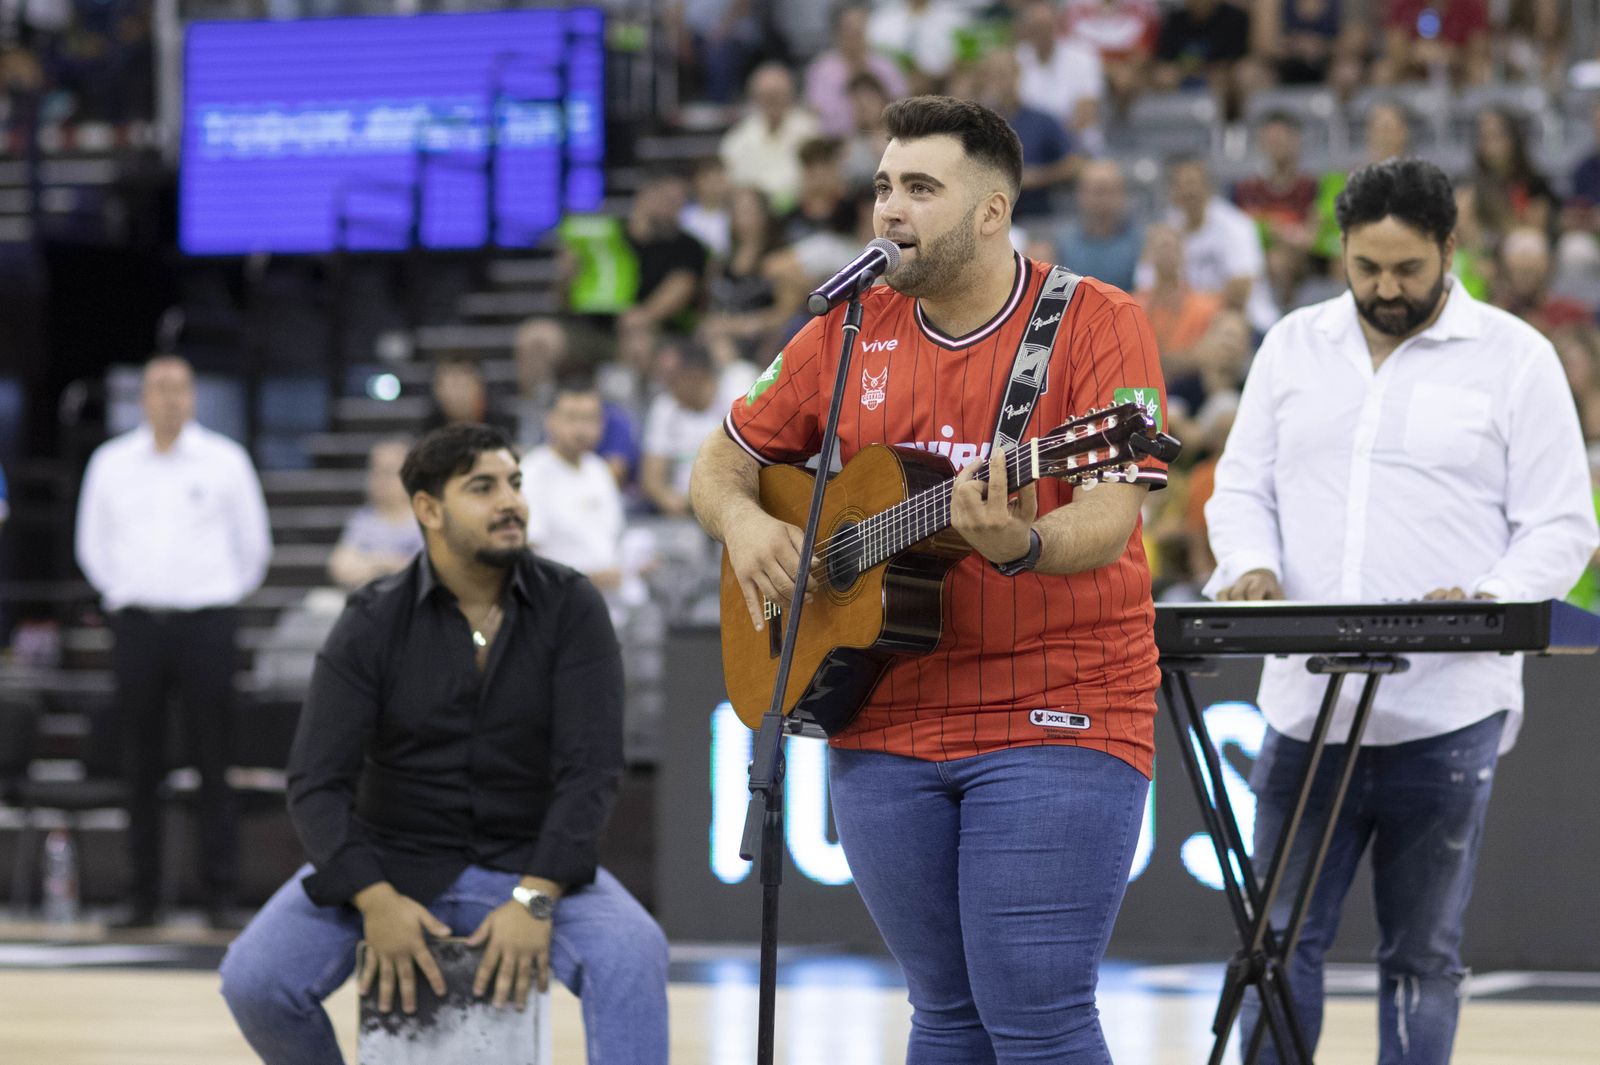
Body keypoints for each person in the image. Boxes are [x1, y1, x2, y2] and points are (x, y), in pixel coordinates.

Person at [689, 95, 1170, 1062]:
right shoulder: (845, 326)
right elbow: (721, 462)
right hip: (883, 708)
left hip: (1056, 700)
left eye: (919, 188)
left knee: (1036, 1011)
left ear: (992, 212)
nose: (889, 209)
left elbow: (1112, 513)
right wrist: (744, 524)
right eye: (882, 186)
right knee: (943, 1011)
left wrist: (1020, 543)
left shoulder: (1098, 320)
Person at [1204, 158, 1598, 1065]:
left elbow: (1562, 524)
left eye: (1408, 269)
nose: (1386, 288)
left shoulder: (1517, 357)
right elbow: (1241, 488)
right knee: (1275, 945)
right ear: (1341, 250)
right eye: (1367, 267)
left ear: (1451, 249)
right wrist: (1253, 564)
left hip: (1445, 711)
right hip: (1304, 707)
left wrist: (1490, 599)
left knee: (1423, 955)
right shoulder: (1292, 345)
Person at [219, 424, 669, 1065]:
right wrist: (375, 901)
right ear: (428, 509)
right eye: (483, 488)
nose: (510, 502)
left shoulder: (572, 606)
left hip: (530, 862)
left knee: (634, 953)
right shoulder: (372, 619)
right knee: (255, 981)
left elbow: (591, 770)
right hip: (391, 860)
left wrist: (536, 897)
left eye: (514, 483)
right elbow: (316, 782)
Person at [75, 354, 273, 929]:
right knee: (139, 762)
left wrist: (216, 593)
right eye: (158, 388)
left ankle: (221, 894)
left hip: (207, 622)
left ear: (193, 396)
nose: (168, 398)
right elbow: (92, 544)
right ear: (142, 397)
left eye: (179, 388)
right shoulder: (111, 462)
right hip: (138, 623)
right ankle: (140, 895)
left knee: (215, 758)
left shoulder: (225, 460)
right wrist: (124, 591)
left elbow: (253, 546)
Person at [521, 369, 627, 597]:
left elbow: (613, 539)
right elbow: (528, 559)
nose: (581, 429)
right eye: (571, 418)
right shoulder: (531, 473)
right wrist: (588, 578)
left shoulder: (599, 469)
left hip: (611, 597)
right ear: (550, 420)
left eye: (590, 419)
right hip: (559, 599)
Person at [327, 438, 423, 591]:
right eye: (375, 471)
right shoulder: (364, 520)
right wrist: (387, 563)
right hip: (369, 597)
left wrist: (371, 563)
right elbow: (340, 568)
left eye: (388, 472)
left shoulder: (425, 519)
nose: (381, 480)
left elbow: (427, 571)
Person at [1053, 158, 1144, 291]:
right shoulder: (1061, 245)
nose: (1103, 199)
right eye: (1097, 191)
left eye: (1110, 191)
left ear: (1122, 194)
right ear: (1081, 195)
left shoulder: (1142, 244)